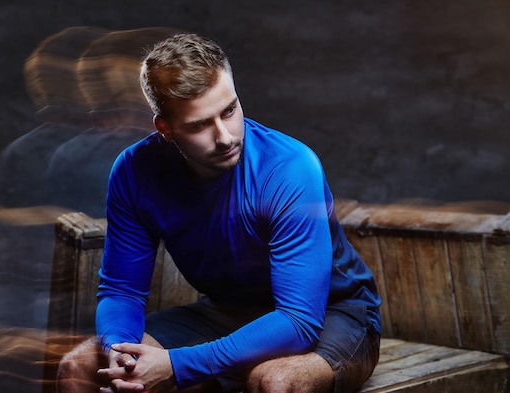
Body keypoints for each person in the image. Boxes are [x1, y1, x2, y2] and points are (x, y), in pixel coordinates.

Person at [57, 33, 382, 393]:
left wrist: (177, 367)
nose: (225, 137)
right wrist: (119, 349)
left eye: (229, 110)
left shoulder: (290, 168)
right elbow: (122, 291)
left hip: (332, 313)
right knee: (80, 367)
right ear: (164, 129)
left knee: (274, 382)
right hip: (227, 312)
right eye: (199, 125)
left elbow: (298, 321)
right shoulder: (134, 171)